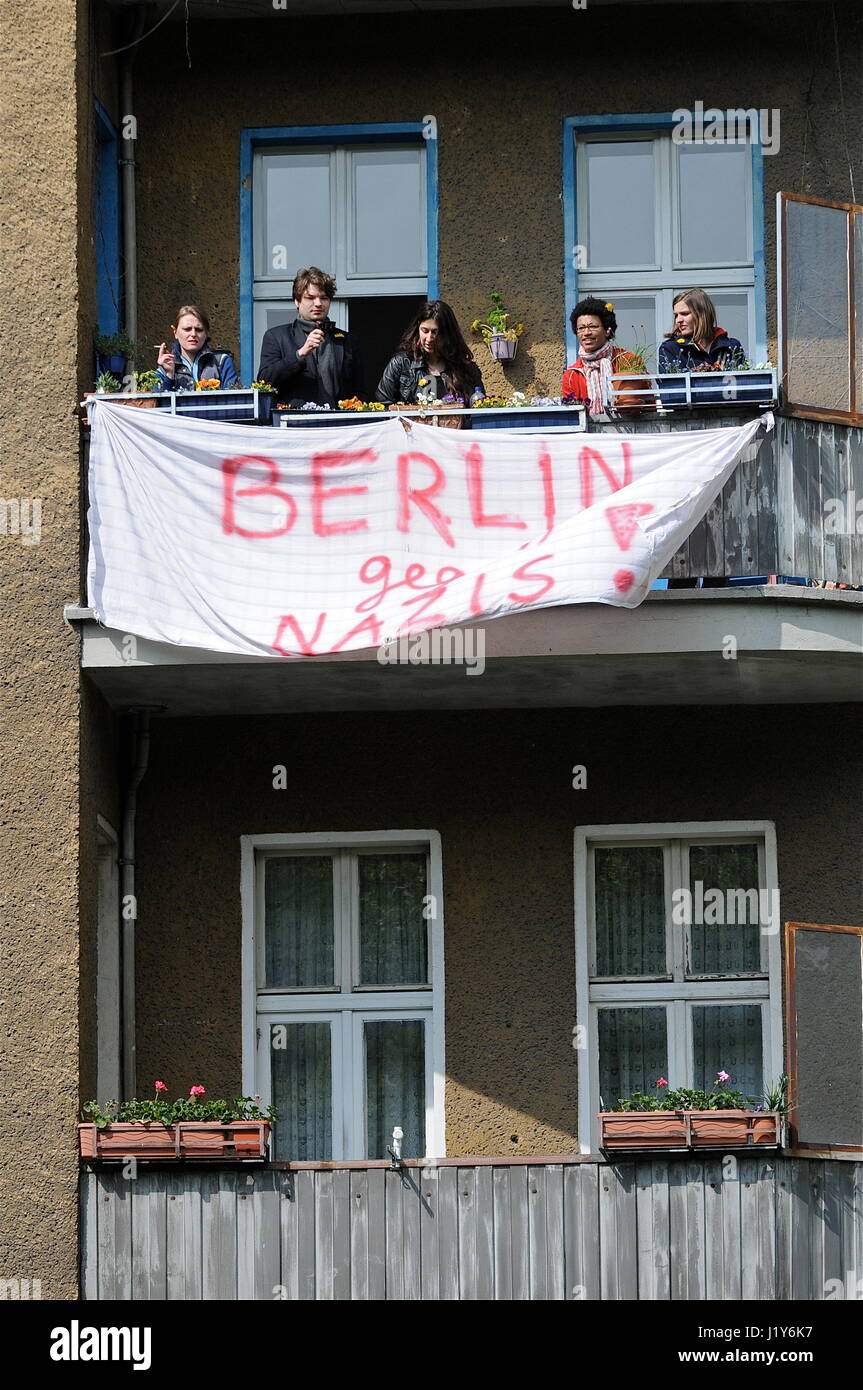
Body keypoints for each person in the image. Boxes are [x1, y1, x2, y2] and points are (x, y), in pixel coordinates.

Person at [256, 267, 363, 408]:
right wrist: (300, 354)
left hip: (338, 425)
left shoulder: (347, 340)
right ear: (297, 301)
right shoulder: (276, 336)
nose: (318, 303)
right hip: (295, 424)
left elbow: (360, 391)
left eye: (324, 298)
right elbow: (264, 381)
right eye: (310, 298)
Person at [377, 300, 485, 410]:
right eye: (425, 331)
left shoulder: (466, 369)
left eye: (435, 332)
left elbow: (479, 411)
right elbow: (383, 408)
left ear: (448, 334)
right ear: (418, 328)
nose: (429, 339)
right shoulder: (401, 364)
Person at [562, 298, 651, 417]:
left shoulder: (629, 360)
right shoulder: (572, 374)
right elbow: (571, 416)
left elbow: (650, 403)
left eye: (593, 326)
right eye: (581, 328)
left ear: (607, 330)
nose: (586, 332)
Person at [658, 289, 748, 373]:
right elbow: (669, 386)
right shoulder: (670, 348)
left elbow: (743, 384)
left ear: (702, 314)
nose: (678, 320)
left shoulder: (731, 347)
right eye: (676, 315)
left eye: (684, 314)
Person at [155, 305, 238, 391]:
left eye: (199, 329)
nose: (193, 334)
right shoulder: (164, 368)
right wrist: (169, 376)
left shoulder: (221, 362)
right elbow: (159, 402)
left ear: (206, 333)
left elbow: (234, 401)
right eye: (187, 329)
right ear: (175, 332)